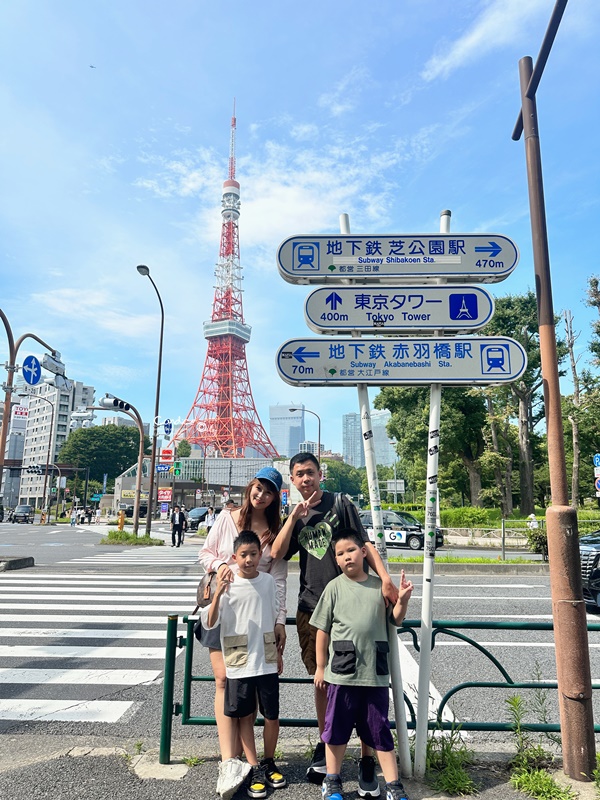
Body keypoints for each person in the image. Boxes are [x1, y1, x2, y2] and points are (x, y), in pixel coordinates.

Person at [271, 452, 398, 792]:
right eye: (298, 475)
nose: (305, 479)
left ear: (320, 474)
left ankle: (368, 758)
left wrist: (385, 579)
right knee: (323, 681)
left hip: (354, 602)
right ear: (293, 480)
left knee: (366, 683)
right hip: (313, 607)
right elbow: (276, 554)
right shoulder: (296, 514)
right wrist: (292, 517)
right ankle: (325, 744)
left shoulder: (340, 503)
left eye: (310, 472)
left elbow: (365, 545)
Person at [197, 467, 288, 785]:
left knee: (246, 683)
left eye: (269, 491)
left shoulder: (275, 531)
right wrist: (222, 565)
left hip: (257, 618)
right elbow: (205, 552)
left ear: (276, 496)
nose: (261, 495)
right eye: (258, 487)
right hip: (224, 610)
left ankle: (245, 759)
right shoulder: (227, 517)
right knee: (223, 680)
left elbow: (278, 579)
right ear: (250, 487)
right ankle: (228, 759)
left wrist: (279, 620)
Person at [311, 528, 413, 800]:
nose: (346, 557)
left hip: (374, 675)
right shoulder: (334, 587)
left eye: (351, 551)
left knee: (379, 730)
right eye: (339, 554)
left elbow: (396, 620)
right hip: (342, 675)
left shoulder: (379, 586)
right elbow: (322, 630)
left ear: (364, 552)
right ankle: (332, 781)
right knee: (336, 730)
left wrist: (402, 601)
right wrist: (321, 667)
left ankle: (393, 785)